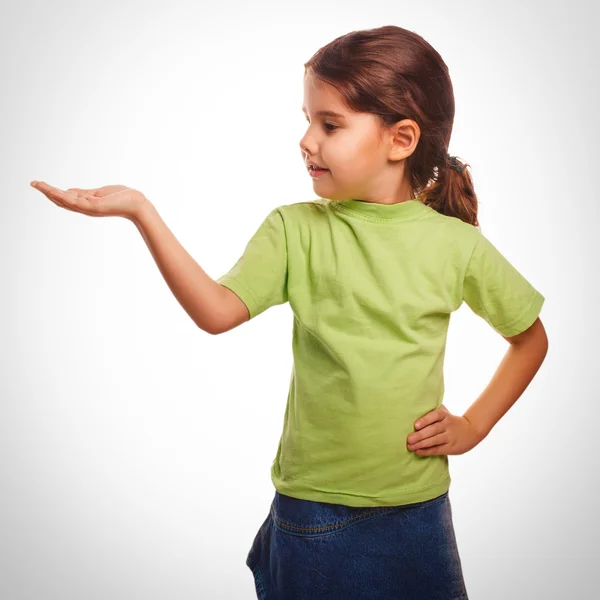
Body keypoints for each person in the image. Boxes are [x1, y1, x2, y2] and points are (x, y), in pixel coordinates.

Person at [30, 24, 548, 600]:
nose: (306, 139)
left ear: (400, 139)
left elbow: (530, 338)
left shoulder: (456, 246)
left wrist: (474, 425)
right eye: (307, 119)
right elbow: (217, 311)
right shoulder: (293, 229)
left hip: (418, 511)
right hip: (313, 510)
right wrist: (141, 211)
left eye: (329, 124)